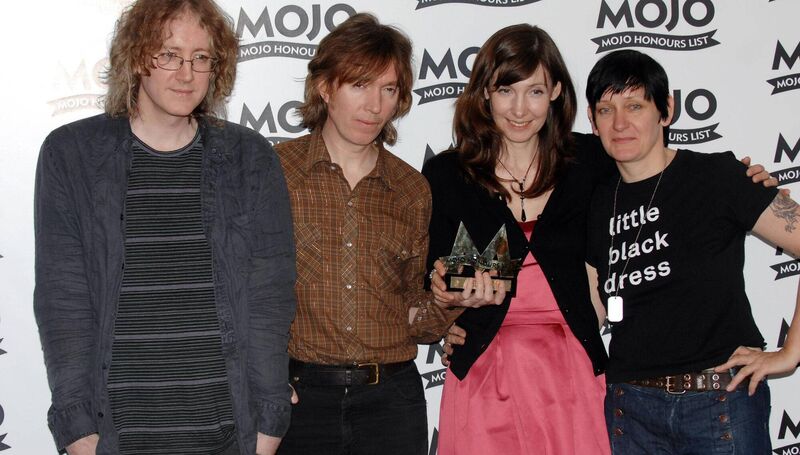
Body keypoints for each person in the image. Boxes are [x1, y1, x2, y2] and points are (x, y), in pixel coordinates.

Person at [427, 25, 777, 455]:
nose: (520, 109)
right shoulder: (447, 176)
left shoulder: (593, 159)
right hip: (483, 374)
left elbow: (660, 170)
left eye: (535, 91)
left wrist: (745, 179)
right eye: (505, 90)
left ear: (556, 91)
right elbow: (428, 287)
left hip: (571, 370)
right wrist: (443, 315)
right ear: (484, 93)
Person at [33, 1, 296, 454]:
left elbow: (269, 298)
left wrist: (269, 426)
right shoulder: (71, 155)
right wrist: (79, 433)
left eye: (201, 57)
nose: (186, 73)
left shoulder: (248, 158)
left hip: (228, 433)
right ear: (136, 59)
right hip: (117, 434)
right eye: (168, 55)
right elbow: (64, 301)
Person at [584, 49, 800, 454]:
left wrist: (790, 354)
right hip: (630, 410)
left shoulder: (718, 177)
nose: (620, 123)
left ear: (666, 109)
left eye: (635, 105)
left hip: (721, 400)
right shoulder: (597, 202)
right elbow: (594, 306)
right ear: (593, 123)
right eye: (605, 109)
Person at [273, 13, 455, 455]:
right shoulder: (276, 172)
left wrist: (449, 305)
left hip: (392, 402)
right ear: (325, 86)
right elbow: (240, 290)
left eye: (388, 89)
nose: (374, 105)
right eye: (359, 84)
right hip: (298, 400)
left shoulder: (413, 190)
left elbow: (415, 315)